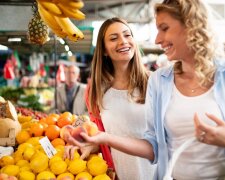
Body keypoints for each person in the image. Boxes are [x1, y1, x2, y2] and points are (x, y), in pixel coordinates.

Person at [65, 0, 225, 180]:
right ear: (104, 50)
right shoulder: (161, 82)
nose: (157, 39)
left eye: (164, 28)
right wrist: (98, 140)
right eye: (113, 38)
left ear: (191, 26)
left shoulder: (151, 81)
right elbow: (153, 146)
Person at [64, 17, 156, 180]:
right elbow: (105, 135)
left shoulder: (155, 83)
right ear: (104, 50)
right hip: (120, 175)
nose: (123, 41)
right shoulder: (97, 91)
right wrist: (90, 144)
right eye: (114, 38)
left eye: (127, 35)